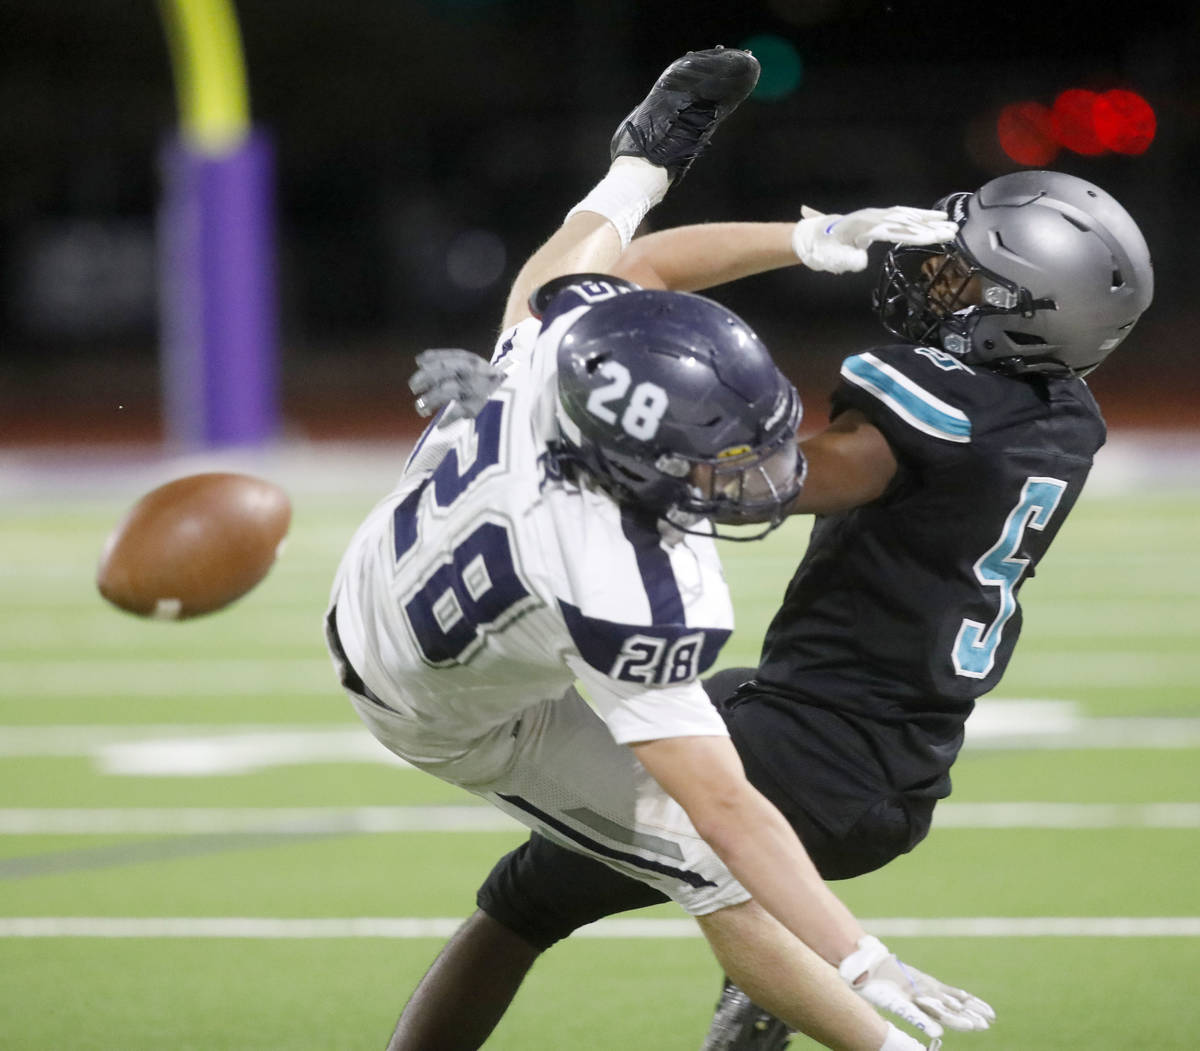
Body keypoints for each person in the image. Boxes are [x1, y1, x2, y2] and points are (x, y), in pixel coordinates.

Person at [404, 147, 1154, 1049]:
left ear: (1019, 318)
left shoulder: (937, 405)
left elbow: (778, 482)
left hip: (817, 754)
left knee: (525, 901)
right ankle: (760, 995)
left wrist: (561, 421)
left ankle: (792, 980)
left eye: (964, 276)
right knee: (665, 806)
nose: (935, 277)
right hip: (886, 747)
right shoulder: (1066, 418)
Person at [326, 46, 986, 1051]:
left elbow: (641, 269)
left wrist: (817, 240)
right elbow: (725, 806)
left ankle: (640, 159)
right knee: (714, 871)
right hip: (444, 704)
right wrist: (857, 953)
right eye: (723, 457)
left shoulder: (560, 361)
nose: (757, 472)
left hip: (416, 560)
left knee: (555, 278)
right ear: (636, 468)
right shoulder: (622, 585)